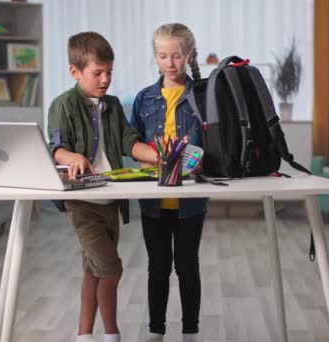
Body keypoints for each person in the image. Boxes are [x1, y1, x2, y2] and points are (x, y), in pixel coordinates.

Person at [48, 31, 158, 342]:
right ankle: (113, 334)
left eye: (109, 72)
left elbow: (129, 142)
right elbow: (56, 148)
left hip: (111, 201)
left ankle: (85, 335)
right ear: (75, 71)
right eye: (98, 73)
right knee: (111, 270)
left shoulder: (111, 105)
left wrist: (158, 155)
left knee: (93, 271)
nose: (105, 79)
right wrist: (73, 157)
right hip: (82, 205)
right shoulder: (63, 105)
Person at [130, 23, 209, 342]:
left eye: (176, 55)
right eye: (163, 56)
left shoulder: (201, 97)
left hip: (191, 199)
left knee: (188, 266)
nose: (170, 63)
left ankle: (190, 331)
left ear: (189, 55)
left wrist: (201, 160)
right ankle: (156, 330)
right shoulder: (144, 98)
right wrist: (150, 157)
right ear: (155, 57)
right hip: (153, 198)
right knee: (157, 267)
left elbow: (210, 144)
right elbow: (133, 144)